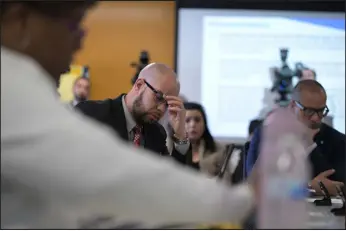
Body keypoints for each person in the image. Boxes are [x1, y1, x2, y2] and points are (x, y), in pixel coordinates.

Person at [1, 1, 255, 228]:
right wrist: (245, 201)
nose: (80, 40)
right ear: (20, 21)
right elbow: (115, 175)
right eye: (73, 24)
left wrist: (179, 138)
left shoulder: (155, 132)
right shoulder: (12, 90)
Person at [246, 80, 345, 195]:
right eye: (309, 111)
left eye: (321, 111)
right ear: (293, 106)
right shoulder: (267, 135)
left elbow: (339, 184)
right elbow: (255, 187)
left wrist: (311, 145)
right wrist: (307, 187)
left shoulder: (337, 141)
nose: (316, 118)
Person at [75, 63, 190, 159]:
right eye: (159, 97)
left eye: (167, 104)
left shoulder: (157, 133)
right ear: (139, 85)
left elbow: (169, 179)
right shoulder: (91, 114)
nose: (161, 109)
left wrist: (180, 135)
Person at [174, 102, 242, 184]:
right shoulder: (170, 147)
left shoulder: (218, 149)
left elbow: (226, 183)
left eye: (197, 120)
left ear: (204, 123)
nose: (192, 125)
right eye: (187, 120)